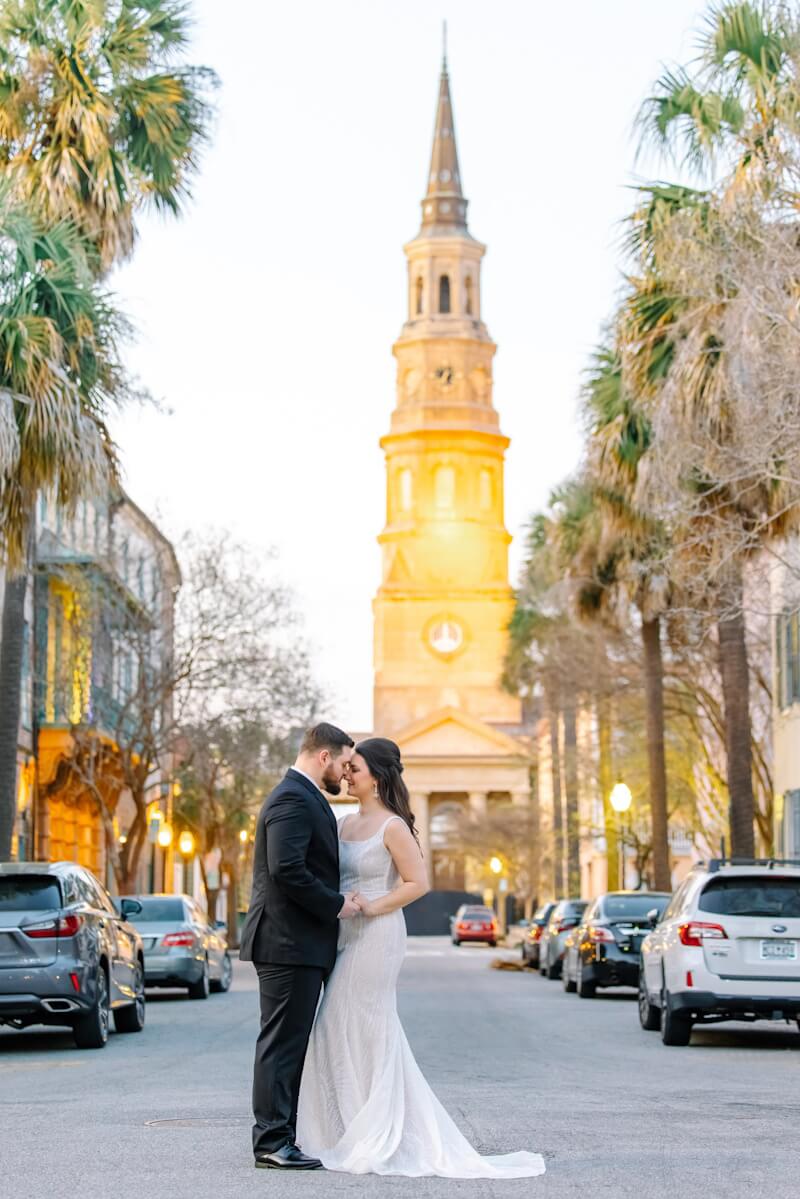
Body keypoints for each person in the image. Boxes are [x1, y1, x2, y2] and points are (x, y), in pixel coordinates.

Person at [296, 736, 546, 1179]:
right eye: (347, 767)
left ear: (377, 776)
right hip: (345, 932)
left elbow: (418, 883)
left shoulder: (392, 826)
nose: (347, 774)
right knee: (340, 1026)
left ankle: (374, 1130)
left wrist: (370, 907)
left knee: (358, 1022)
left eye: (355, 768)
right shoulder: (344, 823)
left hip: (377, 934)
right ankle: (345, 1126)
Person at [239, 722, 358, 1171]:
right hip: (286, 943)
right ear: (324, 757)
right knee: (281, 1044)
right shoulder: (292, 797)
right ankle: (271, 1141)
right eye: (344, 763)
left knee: (289, 1042)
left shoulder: (305, 797)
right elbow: (286, 869)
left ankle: (281, 1135)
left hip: (298, 944)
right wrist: (338, 906)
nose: (345, 774)